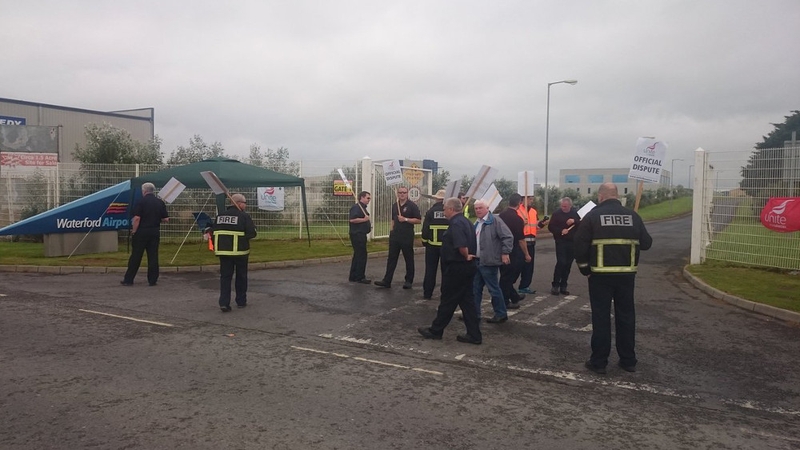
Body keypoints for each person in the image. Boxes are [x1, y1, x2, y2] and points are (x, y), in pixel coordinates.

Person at [574, 183, 652, 374]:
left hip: (600, 276)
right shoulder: (633, 216)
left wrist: (585, 270)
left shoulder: (592, 217)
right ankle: (628, 360)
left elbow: (579, 246)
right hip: (626, 276)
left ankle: (599, 362)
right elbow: (647, 244)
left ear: (600, 197)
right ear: (617, 196)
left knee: (601, 318)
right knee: (626, 316)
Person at [417, 197, 482, 344]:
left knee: (448, 300)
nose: (443, 210)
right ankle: (474, 334)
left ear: (451, 209)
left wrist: (466, 255)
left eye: (445, 208)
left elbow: (461, 245)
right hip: (466, 268)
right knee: (467, 303)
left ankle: (436, 330)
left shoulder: (457, 223)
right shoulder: (466, 221)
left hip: (457, 267)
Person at [211, 193, 257, 312]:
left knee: (225, 277)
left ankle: (224, 303)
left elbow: (213, 230)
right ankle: (241, 301)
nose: (245, 206)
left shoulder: (220, 216)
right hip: (240, 252)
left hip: (223, 252)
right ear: (240, 203)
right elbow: (252, 233)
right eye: (245, 203)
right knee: (241, 277)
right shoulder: (243, 216)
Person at [472, 199, 513, 323]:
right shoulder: (477, 222)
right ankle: (475, 314)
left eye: (480, 208)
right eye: (476, 208)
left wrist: (505, 253)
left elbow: (508, 236)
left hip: (489, 261)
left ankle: (501, 313)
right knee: (475, 289)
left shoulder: (495, 221)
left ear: (487, 208)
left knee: (493, 289)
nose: (478, 210)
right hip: (477, 260)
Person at [121, 182, 169, 286]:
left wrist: (134, 231)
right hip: (154, 232)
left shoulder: (141, 202)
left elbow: (137, 218)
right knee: (153, 256)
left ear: (144, 191)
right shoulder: (160, 202)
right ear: (153, 190)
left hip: (142, 232)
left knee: (136, 256)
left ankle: (129, 279)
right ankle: (152, 280)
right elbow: (166, 219)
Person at [375, 186, 421, 289]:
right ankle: (387, 280)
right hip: (395, 235)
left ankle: (408, 280)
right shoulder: (395, 205)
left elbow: (418, 220)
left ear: (407, 193)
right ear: (397, 194)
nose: (402, 194)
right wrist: (391, 231)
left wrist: (405, 219)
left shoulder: (412, 206)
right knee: (391, 258)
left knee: (408, 258)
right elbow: (393, 219)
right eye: (400, 192)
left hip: (407, 235)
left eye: (404, 192)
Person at [498, 194, 531, 309]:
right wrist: (526, 254)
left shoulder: (501, 216)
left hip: (500, 249)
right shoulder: (517, 219)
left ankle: (514, 296)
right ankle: (505, 301)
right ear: (519, 204)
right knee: (507, 278)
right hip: (513, 250)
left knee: (505, 275)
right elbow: (521, 240)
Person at [547, 197, 581, 296]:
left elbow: (583, 222)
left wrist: (574, 221)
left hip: (572, 242)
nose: (563, 208)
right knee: (561, 262)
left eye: (565, 206)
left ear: (570, 206)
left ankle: (563, 285)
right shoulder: (557, 213)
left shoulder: (575, 213)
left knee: (568, 264)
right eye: (562, 206)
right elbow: (551, 226)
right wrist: (560, 231)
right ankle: (555, 285)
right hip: (561, 241)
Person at [420, 189, 449, 300]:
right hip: (446, 247)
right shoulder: (449, 212)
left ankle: (427, 293)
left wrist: (424, 241)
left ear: (436, 199)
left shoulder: (430, 212)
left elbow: (425, 229)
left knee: (430, 270)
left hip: (432, 246)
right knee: (445, 271)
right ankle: (445, 293)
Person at [516, 196, 540, 294]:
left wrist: (542, 223)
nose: (531, 201)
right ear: (523, 200)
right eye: (529, 199)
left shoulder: (534, 211)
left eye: (532, 199)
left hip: (531, 243)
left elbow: (536, 226)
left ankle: (524, 286)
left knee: (529, 267)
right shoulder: (518, 210)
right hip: (521, 243)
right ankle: (510, 285)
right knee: (518, 266)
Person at [348, 191, 372, 284]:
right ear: (362, 197)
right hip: (357, 234)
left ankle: (353, 275)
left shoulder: (362, 208)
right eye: (368, 198)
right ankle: (360, 276)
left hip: (361, 234)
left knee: (358, 255)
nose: (369, 200)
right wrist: (364, 220)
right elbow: (352, 219)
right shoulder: (356, 207)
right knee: (362, 255)